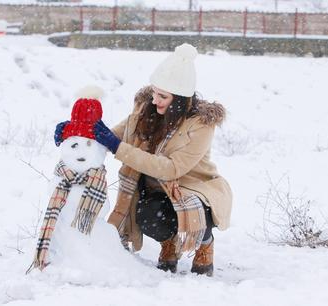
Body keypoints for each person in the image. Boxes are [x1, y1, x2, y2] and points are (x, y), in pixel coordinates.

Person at [54, 43, 232, 276]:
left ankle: (205, 242)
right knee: (148, 216)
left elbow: (172, 168)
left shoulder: (200, 125)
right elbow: (113, 137)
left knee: (194, 209)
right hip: (156, 190)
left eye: (163, 96)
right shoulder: (146, 110)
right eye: (154, 92)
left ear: (179, 99)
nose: (155, 100)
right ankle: (169, 242)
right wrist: (75, 133)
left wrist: (118, 147)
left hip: (193, 189)